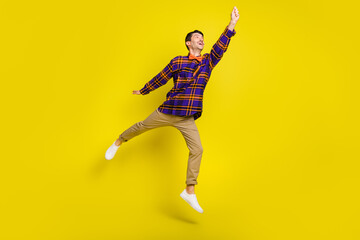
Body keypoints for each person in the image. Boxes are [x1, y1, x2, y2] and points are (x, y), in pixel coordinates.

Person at [105, 6, 240, 213]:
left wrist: (231, 24)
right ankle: (119, 140)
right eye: (197, 37)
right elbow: (162, 76)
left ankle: (189, 190)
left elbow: (221, 47)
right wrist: (144, 90)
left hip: (187, 116)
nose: (201, 39)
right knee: (141, 126)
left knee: (197, 150)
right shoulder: (178, 60)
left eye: (203, 37)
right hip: (169, 109)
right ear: (189, 42)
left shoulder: (208, 61)